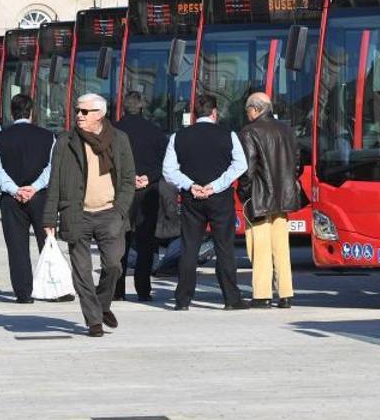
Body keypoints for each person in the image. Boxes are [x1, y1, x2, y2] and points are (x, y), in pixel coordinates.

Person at [43, 94, 134, 337]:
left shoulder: (119, 139)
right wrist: (49, 218)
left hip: (110, 213)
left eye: (85, 112)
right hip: (77, 213)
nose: (79, 116)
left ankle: (102, 305)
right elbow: (55, 181)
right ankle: (93, 321)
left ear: (100, 114)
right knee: (82, 271)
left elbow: (127, 180)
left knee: (114, 265)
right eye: (77, 111)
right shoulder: (65, 141)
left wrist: (120, 210)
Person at [162, 93, 249, 311]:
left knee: (189, 247)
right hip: (220, 198)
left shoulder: (178, 136)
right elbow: (240, 165)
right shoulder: (228, 135)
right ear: (214, 112)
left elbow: (169, 170)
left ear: (193, 115)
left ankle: (183, 299)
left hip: (192, 197)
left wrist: (190, 185)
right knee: (224, 247)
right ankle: (231, 298)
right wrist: (216, 185)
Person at [0, 94, 55, 304]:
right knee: (47, 243)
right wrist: (34, 188)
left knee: (17, 246)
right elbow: (52, 167)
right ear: (32, 112)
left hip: (11, 199)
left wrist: (15, 189)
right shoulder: (48, 136)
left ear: (11, 112)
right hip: (41, 197)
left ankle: (24, 293)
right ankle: (52, 288)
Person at [238, 92, 303, 308]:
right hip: (283, 198)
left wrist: (243, 192)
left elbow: (248, 169)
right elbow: (296, 165)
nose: (247, 114)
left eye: (248, 110)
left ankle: (262, 294)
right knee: (281, 247)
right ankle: (286, 293)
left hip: (259, 198)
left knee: (259, 247)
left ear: (255, 109)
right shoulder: (287, 129)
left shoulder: (249, 131)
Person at [113, 91, 169, 302]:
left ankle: (118, 290)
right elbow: (166, 162)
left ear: (123, 107)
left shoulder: (114, 131)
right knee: (146, 242)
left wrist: (128, 179)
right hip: (148, 192)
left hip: (121, 192)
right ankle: (143, 289)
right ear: (142, 107)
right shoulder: (155, 131)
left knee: (120, 240)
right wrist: (148, 177)